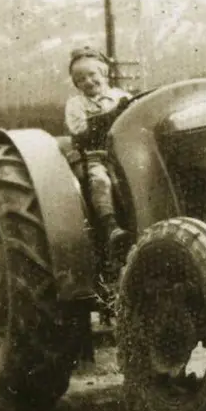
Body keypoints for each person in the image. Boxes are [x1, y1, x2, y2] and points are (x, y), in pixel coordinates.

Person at [64, 47, 131, 263]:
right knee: (100, 180)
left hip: (123, 152)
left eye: (92, 74)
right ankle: (111, 226)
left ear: (104, 73)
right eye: (81, 79)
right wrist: (112, 115)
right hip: (96, 155)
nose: (88, 81)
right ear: (76, 84)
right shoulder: (76, 105)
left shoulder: (122, 97)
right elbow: (80, 131)